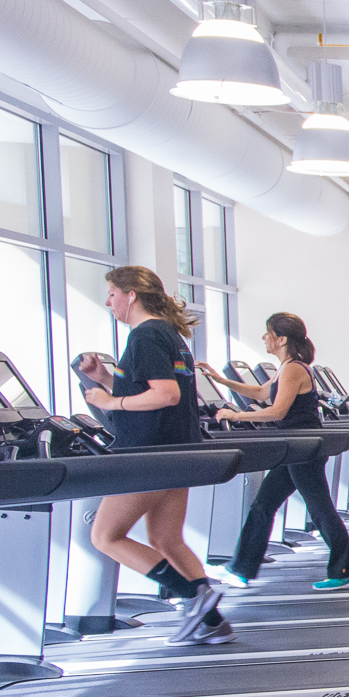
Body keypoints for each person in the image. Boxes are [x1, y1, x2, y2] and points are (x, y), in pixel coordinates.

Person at [73, 265, 228, 644]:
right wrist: (106, 380)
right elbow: (156, 389)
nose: (107, 301)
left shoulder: (144, 335)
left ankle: (196, 596)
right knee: (166, 539)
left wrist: (112, 400)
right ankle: (215, 625)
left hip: (149, 455)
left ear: (131, 296)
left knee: (105, 536)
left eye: (111, 294)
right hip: (176, 450)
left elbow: (166, 395)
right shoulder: (168, 334)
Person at [202, 313, 349, 592]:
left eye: (268, 333)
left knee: (320, 508)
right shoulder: (287, 366)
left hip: (304, 447)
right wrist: (220, 380)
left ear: (281, 339)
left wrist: (235, 415)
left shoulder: (293, 369)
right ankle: (241, 569)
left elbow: (277, 410)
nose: (264, 338)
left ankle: (347, 569)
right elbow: (263, 393)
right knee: (264, 505)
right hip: (295, 448)